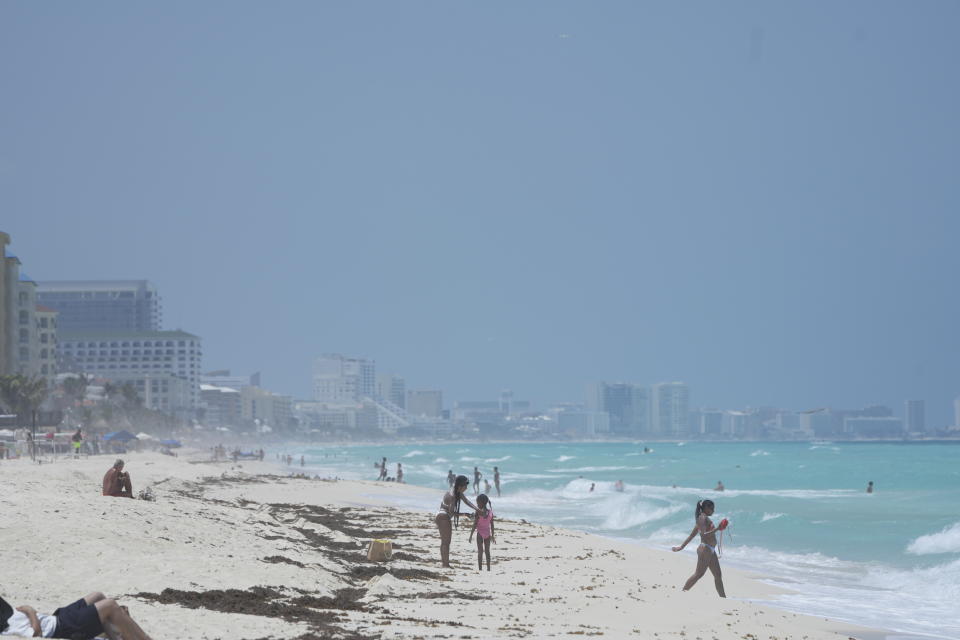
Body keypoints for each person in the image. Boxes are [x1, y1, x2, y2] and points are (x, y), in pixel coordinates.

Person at [0, 591, 153, 639]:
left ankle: (116, 634)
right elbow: (36, 634)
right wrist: (31, 611)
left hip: (58, 617)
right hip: (62, 628)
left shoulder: (5, 614)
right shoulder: (8, 629)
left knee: (98, 596)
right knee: (110, 605)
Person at [672, 499, 726, 597]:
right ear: (705, 508)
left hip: (710, 550)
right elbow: (704, 535)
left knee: (718, 575)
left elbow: (692, 535)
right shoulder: (702, 518)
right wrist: (717, 529)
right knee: (698, 574)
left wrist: (681, 547)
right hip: (705, 549)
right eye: (712, 508)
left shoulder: (703, 519)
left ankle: (724, 599)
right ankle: (683, 592)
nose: (713, 511)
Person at [435, 474, 478, 568]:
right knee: (446, 542)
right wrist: (465, 514)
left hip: (442, 516)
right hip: (443, 517)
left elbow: (466, 501)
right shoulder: (453, 496)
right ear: (460, 486)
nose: (466, 488)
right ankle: (445, 565)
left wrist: (477, 509)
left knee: (445, 542)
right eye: (465, 486)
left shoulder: (456, 491)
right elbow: (452, 512)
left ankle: (445, 564)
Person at [469, 493, 496, 571]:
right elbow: (492, 524)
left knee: (480, 552)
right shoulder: (490, 512)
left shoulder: (478, 512)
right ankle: (488, 569)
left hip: (480, 534)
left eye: (478, 503)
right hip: (487, 534)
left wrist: (471, 535)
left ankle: (480, 569)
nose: (477, 504)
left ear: (482, 503)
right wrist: (492, 535)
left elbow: (475, 524)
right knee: (487, 552)